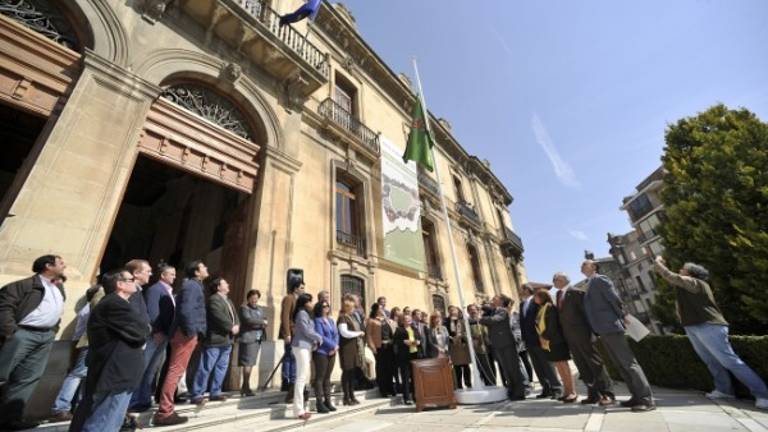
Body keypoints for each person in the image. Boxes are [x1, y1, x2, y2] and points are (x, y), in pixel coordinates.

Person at [654, 256, 768, 409]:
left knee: (729, 361)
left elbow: (669, 276)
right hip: (693, 326)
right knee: (711, 361)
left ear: (690, 273)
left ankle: (763, 395)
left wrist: (658, 262)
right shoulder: (685, 286)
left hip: (708, 325)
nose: (680, 271)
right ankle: (724, 390)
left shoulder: (695, 282)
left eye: (683, 270)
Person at [69, 269, 150, 432]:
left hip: (118, 371)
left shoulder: (118, 303)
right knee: (105, 420)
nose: (134, 281)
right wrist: (144, 329)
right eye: (130, 279)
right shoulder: (114, 303)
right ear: (120, 284)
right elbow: (141, 330)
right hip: (115, 371)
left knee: (107, 417)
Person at [0, 255, 67, 430]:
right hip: (22, 334)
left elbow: (56, 311)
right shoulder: (24, 285)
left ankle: (10, 418)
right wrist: (11, 332)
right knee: (2, 373)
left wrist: (53, 329)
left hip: (45, 337)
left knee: (28, 377)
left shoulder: (58, 287)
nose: (64, 266)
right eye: (60, 263)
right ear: (48, 265)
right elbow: (5, 307)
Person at [582, 260, 654, 412]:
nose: (581, 267)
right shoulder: (589, 283)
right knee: (620, 365)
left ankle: (647, 399)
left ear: (594, 266)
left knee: (629, 363)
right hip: (603, 328)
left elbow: (613, 298)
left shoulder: (600, 279)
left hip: (611, 326)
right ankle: (636, 396)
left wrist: (623, 314)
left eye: (585, 264)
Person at [153, 260, 209, 426]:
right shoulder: (192, 286)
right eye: (203, 267)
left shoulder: (194, 286)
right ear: (197, 272)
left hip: (185, 333)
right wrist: (191, 331)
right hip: (184, 334)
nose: (206, 269)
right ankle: (165, 411)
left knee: (176, 370)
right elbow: (186, 310)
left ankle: (166, 407)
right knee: (175, 370)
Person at [553, 272, 614, 405]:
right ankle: (593, 394)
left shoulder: (576, 292)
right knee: (582, 365)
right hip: (570, 336)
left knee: (595, 364)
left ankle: (607, 394)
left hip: (583, 334)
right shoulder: (558, 295)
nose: (554, 281)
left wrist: (592, 332)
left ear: (564, 280)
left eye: (556, 279)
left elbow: (587, 314)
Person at [129, 262, 176, 413]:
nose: (174, 277)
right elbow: (154, 311)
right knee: (143, 368)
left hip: (164, 335)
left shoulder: (168, 291)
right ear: (163, 275)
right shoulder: (156, 289)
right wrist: (157, 331)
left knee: (151, 369)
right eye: (172, 274)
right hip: (156, 335)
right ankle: (135, 399)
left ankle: (144, 398)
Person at [50, 283, 101, 422]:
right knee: (78, 374)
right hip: (87, 344)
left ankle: (77, 407)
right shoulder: (90, 309)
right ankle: (60, 407)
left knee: (83, 376)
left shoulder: (87, 308)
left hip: (84, 344)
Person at [190, 277, 239, 404]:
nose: (228, 284)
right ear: (218, 287)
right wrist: (231, 327)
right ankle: (197, 393)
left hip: (227, 340)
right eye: (225, 283)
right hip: (215, 340)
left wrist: (237, 325)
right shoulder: (213, 300)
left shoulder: (228, 300)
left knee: (221, 367)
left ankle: (215, 392)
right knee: (206, 367)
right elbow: (219, 317)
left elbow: (235, 316)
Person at [519, 283, 563, 399]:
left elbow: (540, 319)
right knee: (537, 366)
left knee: (547, 364)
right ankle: (546, 388)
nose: (520, 291)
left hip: (539, 338)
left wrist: (542, 335)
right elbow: (522, 323)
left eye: (522, 289)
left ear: (527, 290)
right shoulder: (522, 304)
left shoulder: (537, 301)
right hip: (528, 340)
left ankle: (557, 388)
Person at [480, 295, 528, 400]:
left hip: (507, 343)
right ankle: (511, 390)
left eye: (495, 299)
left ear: (501, 301)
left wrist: (481, 319)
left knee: (513, 368)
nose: (492, 300)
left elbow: (494, 320)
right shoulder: (493, 311)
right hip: (498, 344)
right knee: (506, 369)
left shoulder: (502, 311)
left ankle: (519, 392)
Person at [533, 290, 577, 403]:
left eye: (536, 296)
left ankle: (572, 392)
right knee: (559, 366)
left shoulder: (550, 307)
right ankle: (566, 391)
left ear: (542, 297)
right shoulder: (542, 309)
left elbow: (552, 325)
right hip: (549, 342)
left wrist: (544, 336)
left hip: (556, 340)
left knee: (564, 366)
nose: (534, 299)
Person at [291, 293, 323, 420]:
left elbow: (309, 332)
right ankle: (299, 410)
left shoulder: (307, 314)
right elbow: (306, 331)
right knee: (301, 378)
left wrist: (314, 341)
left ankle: (300, 408)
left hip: (306, 346)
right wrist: (318, 338)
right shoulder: (302, 314)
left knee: (304, 378)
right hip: (300, 346)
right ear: (305, 303)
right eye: (310, 302)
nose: (311, 304)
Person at [279, 280, 305, 403]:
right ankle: (286, 380)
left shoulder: (299, 300)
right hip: (291, 332)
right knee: (289, 356)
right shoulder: (289, 298)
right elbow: (284, 316)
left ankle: (291, 381)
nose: (303, 290)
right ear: (295, 288)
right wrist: (287, 333)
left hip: (297, 333)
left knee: (293, 357)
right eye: (301, 287)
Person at [239, 289, 267, 397]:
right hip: (248, 338)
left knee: (251, 363)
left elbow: (265, 319)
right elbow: (248, 320)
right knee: (247, 363)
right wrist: (261, 322)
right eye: (253, 298)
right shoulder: (244, 308)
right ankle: (245, 387)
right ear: (248, 298)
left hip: (258, 338)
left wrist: (262, 322)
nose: (255, 300)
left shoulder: (260, 309)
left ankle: (245, 387)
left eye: (256, 298)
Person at [338, 295, 365, 405]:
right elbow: (344, 333)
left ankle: (352, 395)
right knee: (347, 371)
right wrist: (358, 333)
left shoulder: (351, 318)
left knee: (352, 373)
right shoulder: (342, 318)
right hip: (346, 348)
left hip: (354, 347)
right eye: (352, 307)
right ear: (348, 308)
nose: (354, 309)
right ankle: (346, 397)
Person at [313, 299, 339, 413]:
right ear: (319, 308)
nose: (326, 307)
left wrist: (336, 346)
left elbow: (336, 334)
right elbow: (320, 336)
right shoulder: (317, 321)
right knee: (320, 377)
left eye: (327, 305)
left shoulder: (331, 320)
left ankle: (328, 401)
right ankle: (319, 402)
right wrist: (333, 345)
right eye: (324, 306)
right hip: (321, 352)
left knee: (327, 377)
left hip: (332, 351)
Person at [366, 303, 395, 397]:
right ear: (376, 310)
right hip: (379, 347)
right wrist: (372, 347)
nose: (382, 309)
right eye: (380, 308)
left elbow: (392, 331)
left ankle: (390, 388)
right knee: (381, 368)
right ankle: (383, 390)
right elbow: (369, 335)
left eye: (382, 308)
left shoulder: (386, 320)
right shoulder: (371, 321)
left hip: (389, 346)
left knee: (390, 368)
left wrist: (387, 319)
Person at [393, 313, 421, 405]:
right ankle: (407, 398)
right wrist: (404, 341)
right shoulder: (399, 330)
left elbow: (419, 338)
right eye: (406, 319)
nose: (408, 320)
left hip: (414, 355)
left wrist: (418, 342)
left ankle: (415, 396)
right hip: (404, 356)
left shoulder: (414, 329)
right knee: (405, 377)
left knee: (414, 377)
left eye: (409, 319)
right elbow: (395, 341)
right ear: (402, 321)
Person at [467, 304, 495, 386]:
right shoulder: (467, 322)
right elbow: (464, 333)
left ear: (477, 310)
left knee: (489, 366)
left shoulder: (482, 319)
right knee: (479, 367)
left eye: (474, 309)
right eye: (471, 310)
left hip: (486, 346)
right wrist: (471, 339)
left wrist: (485, 338)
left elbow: (487, 330)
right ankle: (483, 383)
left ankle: (492, 383)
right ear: (468, 312)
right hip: (475, 348)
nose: (473, 311)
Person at [446, 307, 471, 388]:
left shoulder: (463, 320)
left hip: (462, 345)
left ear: (458, 311)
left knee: (465, 365)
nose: (452, 311)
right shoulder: (446, 321)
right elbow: (446, 332)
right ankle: (459, 384)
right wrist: (451, 338)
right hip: (453, 345)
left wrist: (461, 336)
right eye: (450, 310)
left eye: (454, 310)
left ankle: (468, 383)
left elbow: (466, 331)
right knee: (457, 366)